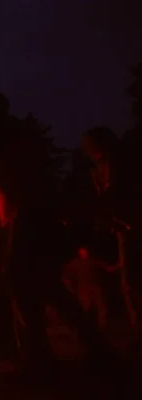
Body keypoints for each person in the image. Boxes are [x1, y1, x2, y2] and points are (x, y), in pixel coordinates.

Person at [0, 93, 121, 384]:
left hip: (27, 218)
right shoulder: (16, 136)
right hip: (36, 216)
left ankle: (41, 362)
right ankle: (98, 351)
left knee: (21, 285)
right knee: (48, 287)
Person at [82, 127, 142, 329]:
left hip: (133, 225)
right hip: (123, 227)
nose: (86, 149)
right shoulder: (102, 166)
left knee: (133, 280)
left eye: (89, 144)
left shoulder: (121, 162)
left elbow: (117, 193)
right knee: (131, 279)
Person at [63, 247, 110, 330]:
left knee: (101, 306)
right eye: (82, 253)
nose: (84, 254)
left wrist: (116, 266)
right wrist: (69, 288)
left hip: (95, 286)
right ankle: (86, 325)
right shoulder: (75, 263)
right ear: (79, 254)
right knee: (85, 307)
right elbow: (67, 276)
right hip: (83, 288)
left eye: (85, 252)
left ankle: (102, 325)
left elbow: (105, 267)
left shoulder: (92, 260)